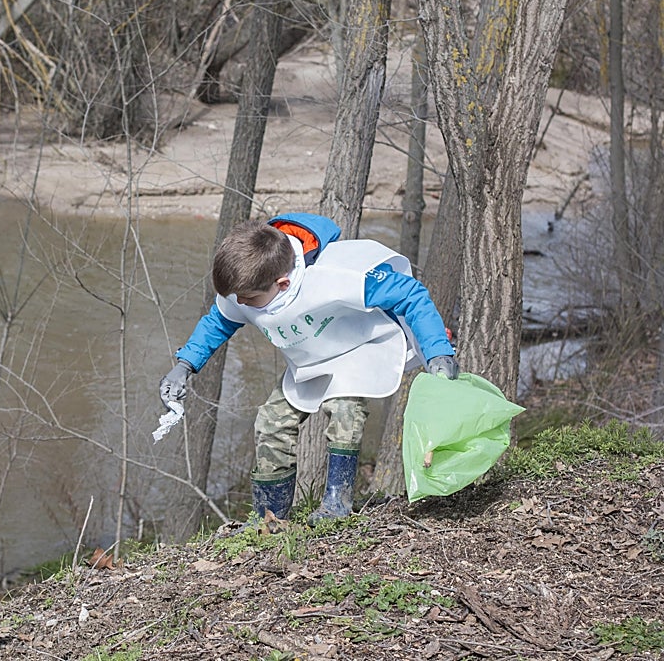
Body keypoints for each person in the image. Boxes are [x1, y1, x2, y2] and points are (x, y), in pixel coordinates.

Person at [158, 212, 459, 523]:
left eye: (248, 299)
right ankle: (269, 518)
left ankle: (336, 505)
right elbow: (217, 322)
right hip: (309, 360)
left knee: (345, 413)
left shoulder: (337, 274)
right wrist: (184, 365)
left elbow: (410, 295)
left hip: (358, 351)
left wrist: (438, 352)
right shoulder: (248, 288)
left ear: (283, 283)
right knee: (271, 422)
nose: (242, 305)